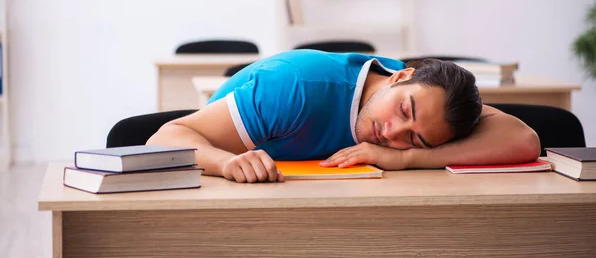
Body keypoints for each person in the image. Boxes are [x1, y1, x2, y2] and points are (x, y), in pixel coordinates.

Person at [147, 49, 541, 183]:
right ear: (401, 74)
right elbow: (165, 137)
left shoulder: (431, 105)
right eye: (404, 111)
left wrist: (407, 158)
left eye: (415, 137)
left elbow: (523, 140)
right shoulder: (296, 89)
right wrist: (228, 161)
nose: (392, 133)